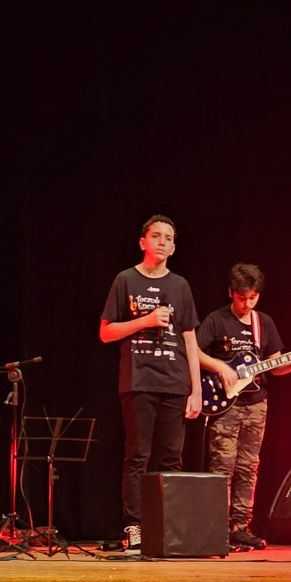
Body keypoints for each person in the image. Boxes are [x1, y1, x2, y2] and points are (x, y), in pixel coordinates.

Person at [98, 215, 236, 555]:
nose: (162, 241)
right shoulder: (125, 280)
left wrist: (197, 388)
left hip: (175, 383)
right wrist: (144, 320)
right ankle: (135, 526)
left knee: (171, 458)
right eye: (155, 236)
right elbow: (105, 332)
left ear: (174, 248)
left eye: (168, 238)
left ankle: (167, 528)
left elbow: (190, 339)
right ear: (143, 242)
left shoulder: (180, 286)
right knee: (138, 456)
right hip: (139, 380)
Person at [197, 263, 291, 551]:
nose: (246, 303)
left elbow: (275, 366)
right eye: (241, 298)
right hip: (224, 404)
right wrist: (220, 368)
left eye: (252, 298)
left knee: (249, 467)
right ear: (230, 293)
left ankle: (240, 527)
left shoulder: (264, 323)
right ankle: (217, 528)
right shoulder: (216, 319)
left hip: (256, 403)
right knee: (222, 466)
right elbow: (194, 352)